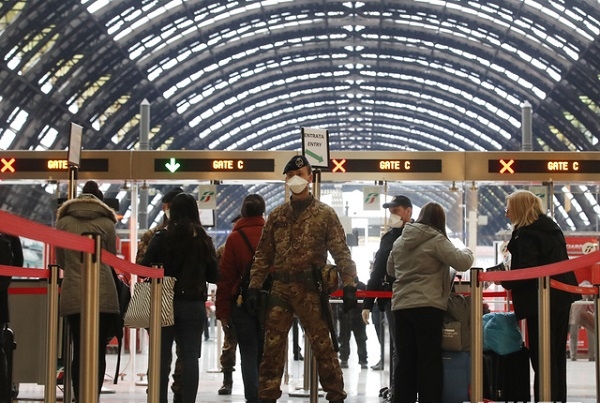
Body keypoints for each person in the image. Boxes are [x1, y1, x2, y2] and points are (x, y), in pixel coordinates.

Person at [246, 155, 357, 403]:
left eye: (301, 174)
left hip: (311, 289)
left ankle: (336, 395)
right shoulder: (277, 215)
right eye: (290, 175)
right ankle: (267, 396)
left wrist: (350, 283)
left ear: (310, 177)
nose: (296, 179)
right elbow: (263, 254)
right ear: (286, 179)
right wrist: (254, 286)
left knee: (323, 346)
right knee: (272, 348)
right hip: (281, 287)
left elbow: (340, 251)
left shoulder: (324, 214)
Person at [387, 202, 473, 403]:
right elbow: (463, 262)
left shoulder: (401, 240)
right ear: (440, 220)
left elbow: (391, 270)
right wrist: (466, 249)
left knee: (405, 360)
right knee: (429, 360)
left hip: (401, 307)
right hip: (427, 307)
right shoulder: (436, 239)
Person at [502, 189, 580, 402]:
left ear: (518, 208)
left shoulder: (527, 233)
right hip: (560, 298)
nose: (506, 213)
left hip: (541, 301)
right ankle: (556, 398)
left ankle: (544, 399)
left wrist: (503, 278)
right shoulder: (552, 227)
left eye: (508, 208)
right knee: (555, 355)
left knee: (541, 356)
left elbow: (528, 270)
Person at [141, 193, 218, 403]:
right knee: (190, 357)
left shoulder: (161, 237)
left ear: (172, 210)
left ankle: (158, 399)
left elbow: (143, 269)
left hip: (163, 302)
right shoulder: (203, 239)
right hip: (193, 304)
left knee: (161, 358)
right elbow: (214, 275)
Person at [55, 180, 120, 402]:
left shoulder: (62, 222)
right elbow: (111, 258)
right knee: (98, 349)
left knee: (79, 348)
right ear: (100, 199)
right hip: (102, 294)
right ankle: (94, 395)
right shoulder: (107, 223)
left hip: (74, 292)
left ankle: (80, 395)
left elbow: (61, 261)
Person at [136, 186, 184, 402]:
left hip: (158, 298)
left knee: (159, 353)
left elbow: (140, 266)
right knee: (182, 353)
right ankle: (177, 392)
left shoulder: (152, 235)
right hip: (182, 298)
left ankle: (156, 393)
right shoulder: (194, 234)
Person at [216, 194, 266, 403]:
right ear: (263, 211)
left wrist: (223, 311)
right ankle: (267, 394)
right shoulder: (271, 234)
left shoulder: (234, 239)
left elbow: (225, 278)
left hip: (241, 301)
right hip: (269, 301)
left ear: (243, 213)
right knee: (267, 352)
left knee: (247, 349)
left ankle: (252, 397)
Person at [362, 195, 413, 389]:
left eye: (396, 210)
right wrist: (367, 304)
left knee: (409, 347)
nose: (392, 214)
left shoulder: (419, 234)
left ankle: (405, 389)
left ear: (408, 211)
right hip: (394, 298)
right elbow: (378, 270)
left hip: (416, 298)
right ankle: (398, 390)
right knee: (398, 347)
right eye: (390, 211)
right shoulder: (388, 238)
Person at [215, 215, 240, 396]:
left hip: (231, 303)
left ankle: (227, 381)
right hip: (250, 302)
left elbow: (216, 276)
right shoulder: (262, 245)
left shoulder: (223, 249)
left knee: (229, 343)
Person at [338, 277, 368, 369]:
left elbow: (366, 300)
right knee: (344, 339)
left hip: (358, 317)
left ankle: (363, 360)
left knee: (361, 339)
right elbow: (338, 301)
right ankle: (344, 359)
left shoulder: (362, 286)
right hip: (345, 316)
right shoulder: (342, 286)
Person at [568, 281, 596, 361]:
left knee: (574, 335)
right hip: (579, 312)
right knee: (590, 334)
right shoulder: (589, 288)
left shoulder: (578, 288)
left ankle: (573, 355)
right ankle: (592, 355)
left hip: (579, 313)